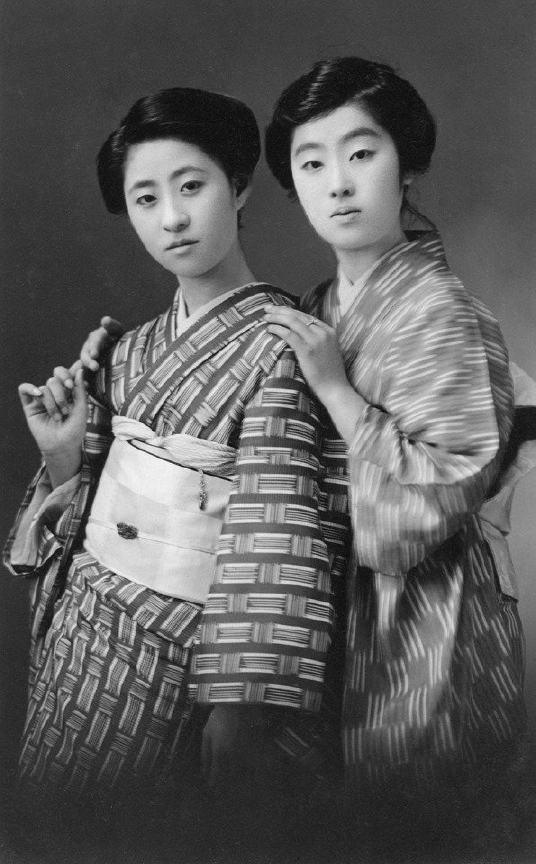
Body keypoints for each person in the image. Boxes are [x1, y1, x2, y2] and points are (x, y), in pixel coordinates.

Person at [3, 85, 350, 845]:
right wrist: (65, 455)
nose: (172, 218)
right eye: (145, 198)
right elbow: (92, 508)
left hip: (197, 655)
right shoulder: (128, 350)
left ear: (240, 183)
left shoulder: (284, 348)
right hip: (86, 636)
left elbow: (278, 536)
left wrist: (241, 705)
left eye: (191, 186)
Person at [263, 56, 535, 846]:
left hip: (427, 612)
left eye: (362, 152)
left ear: (407, 163)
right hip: (332, 603)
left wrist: (340, 395)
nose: (337, 183)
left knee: (413, 823)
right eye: (310, 163)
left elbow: (442, 490)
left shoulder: (440, 309)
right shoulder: (316, 310)